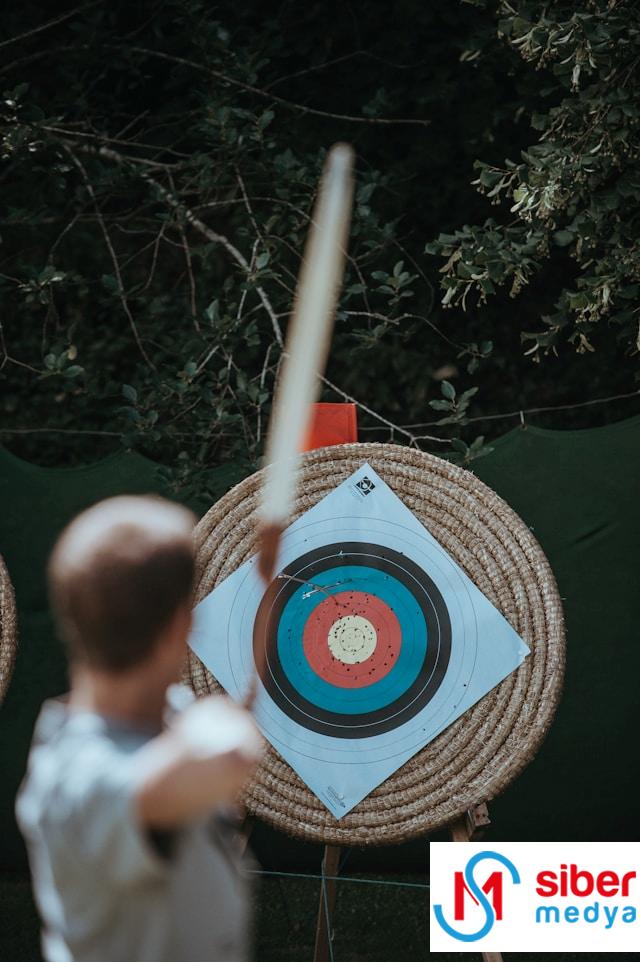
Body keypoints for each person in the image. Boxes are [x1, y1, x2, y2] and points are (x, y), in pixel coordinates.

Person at [16, 495, 263, 962]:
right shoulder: (81, 778)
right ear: (181, 627)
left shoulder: (167, 718)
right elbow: (224, 756)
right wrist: (225, 727)